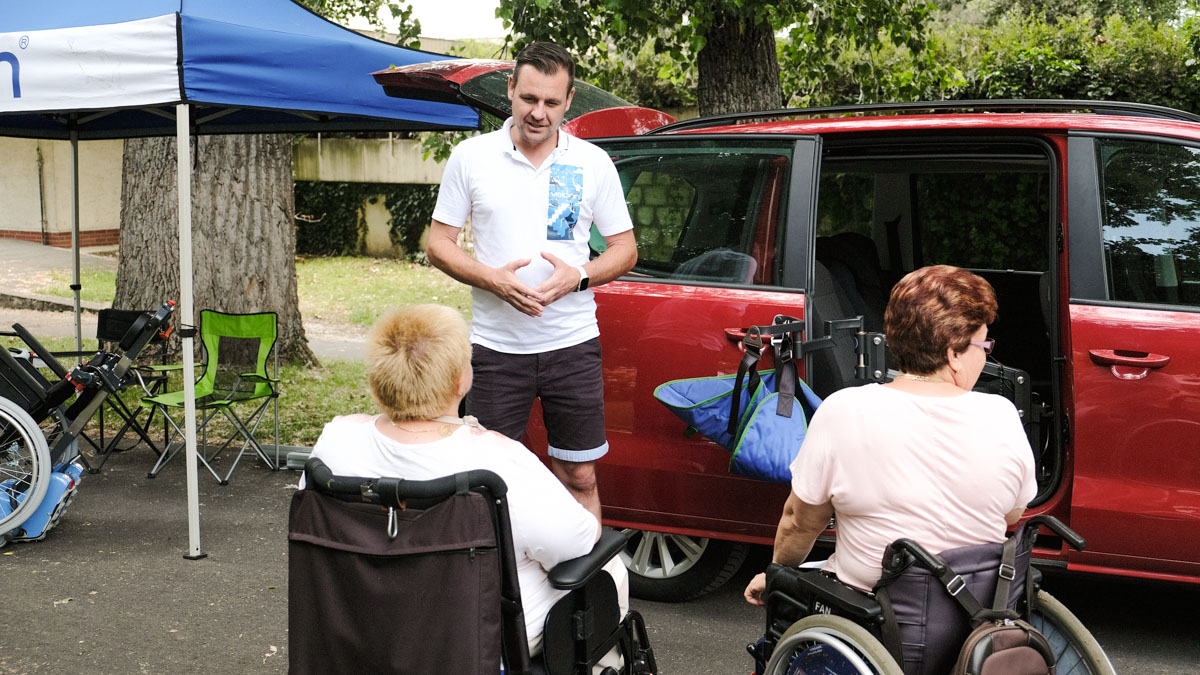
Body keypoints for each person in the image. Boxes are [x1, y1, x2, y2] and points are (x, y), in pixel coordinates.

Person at [303, 304, 628, 659]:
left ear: (375, 380)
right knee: (607, 566)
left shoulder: (334, 443)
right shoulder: (498, 460)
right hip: (472, 641)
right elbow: (577, 542)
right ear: (462, 380)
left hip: (364, 628)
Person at [425, 41, 637, 520]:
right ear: (511, 90)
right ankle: (500, 593)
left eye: (551, 102)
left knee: (579, 474)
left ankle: (583, 591)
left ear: (568, 100)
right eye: (529, 99)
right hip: (497, 351)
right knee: (490, 481)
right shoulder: (471, 157)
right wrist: (493, 280)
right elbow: (438, 243)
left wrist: (578, 277)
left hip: (573, 345)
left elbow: (626, 250)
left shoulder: (592, 163)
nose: (538, 113)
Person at [744, 265, 1037, 601]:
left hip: (874, 606)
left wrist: (777, 574)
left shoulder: (843, 410)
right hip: (979, 606)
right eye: (983, 344)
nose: (986, 353)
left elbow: (800, 521)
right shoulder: (1001, 415)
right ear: (954, 353)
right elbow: (1012, 512)